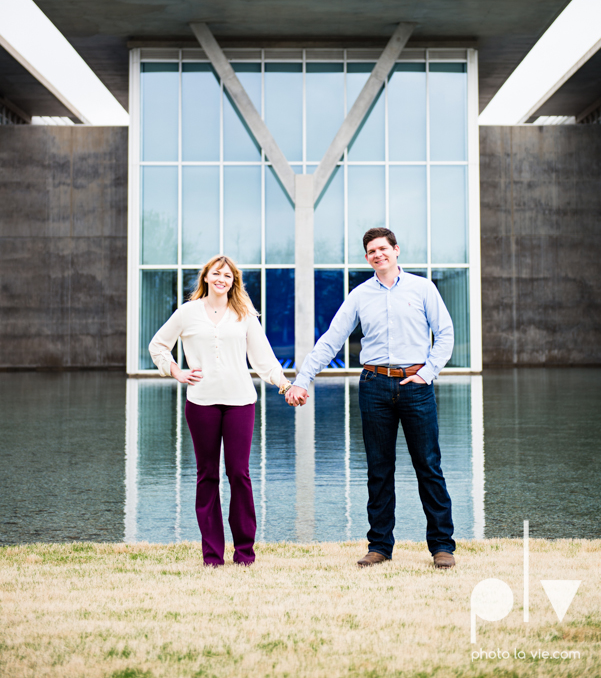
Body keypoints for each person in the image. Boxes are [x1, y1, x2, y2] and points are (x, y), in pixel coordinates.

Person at [286, 227, 456, 569]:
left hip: (416, 385)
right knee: (379, 470)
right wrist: (302, 378)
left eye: (383, 249)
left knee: (429, 466)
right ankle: (379, 546)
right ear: (367, 258)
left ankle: (442, 547)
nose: (378, 255)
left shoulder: (422, 288)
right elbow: (332, 339)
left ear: (396, 251)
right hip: (374, 386)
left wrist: (426, 373)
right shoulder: (360, 295)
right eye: (371, 252)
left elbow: (446, 334)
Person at [149, 254, 291, 567]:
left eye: (227, 276)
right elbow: (158, 345)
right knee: (207, 476)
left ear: (233, 281)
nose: (221, 279)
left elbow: (263, 359)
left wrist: (285, 387)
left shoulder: (244, 314)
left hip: (240, 402)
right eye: (216, 274)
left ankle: (244, 554)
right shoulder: (187, 313)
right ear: (206, 278)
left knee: (239, 474)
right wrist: (176, 371)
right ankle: (212, 556)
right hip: (201, 403)